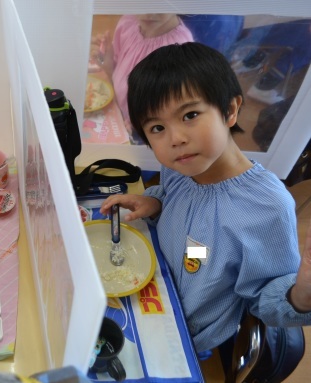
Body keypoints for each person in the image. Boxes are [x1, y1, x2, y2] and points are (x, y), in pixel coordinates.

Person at [99, 42, 311, 370]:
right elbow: (173, 199)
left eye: (190, 115)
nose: (176, 138)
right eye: (157, 127)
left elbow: (265, 300)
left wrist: (302, 293)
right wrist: (153, 201)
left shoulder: (267, 207)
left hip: (184, 332)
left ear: (230, 110)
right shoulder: (181, 165)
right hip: (151, 285)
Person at [92, 14, 193, 144]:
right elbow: (120, 77)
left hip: (149, 132)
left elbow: (171, 109)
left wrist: (136, 125)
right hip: (118, 115)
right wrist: (109, 65)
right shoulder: (127, 24)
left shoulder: (180, 47)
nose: (148, 11)